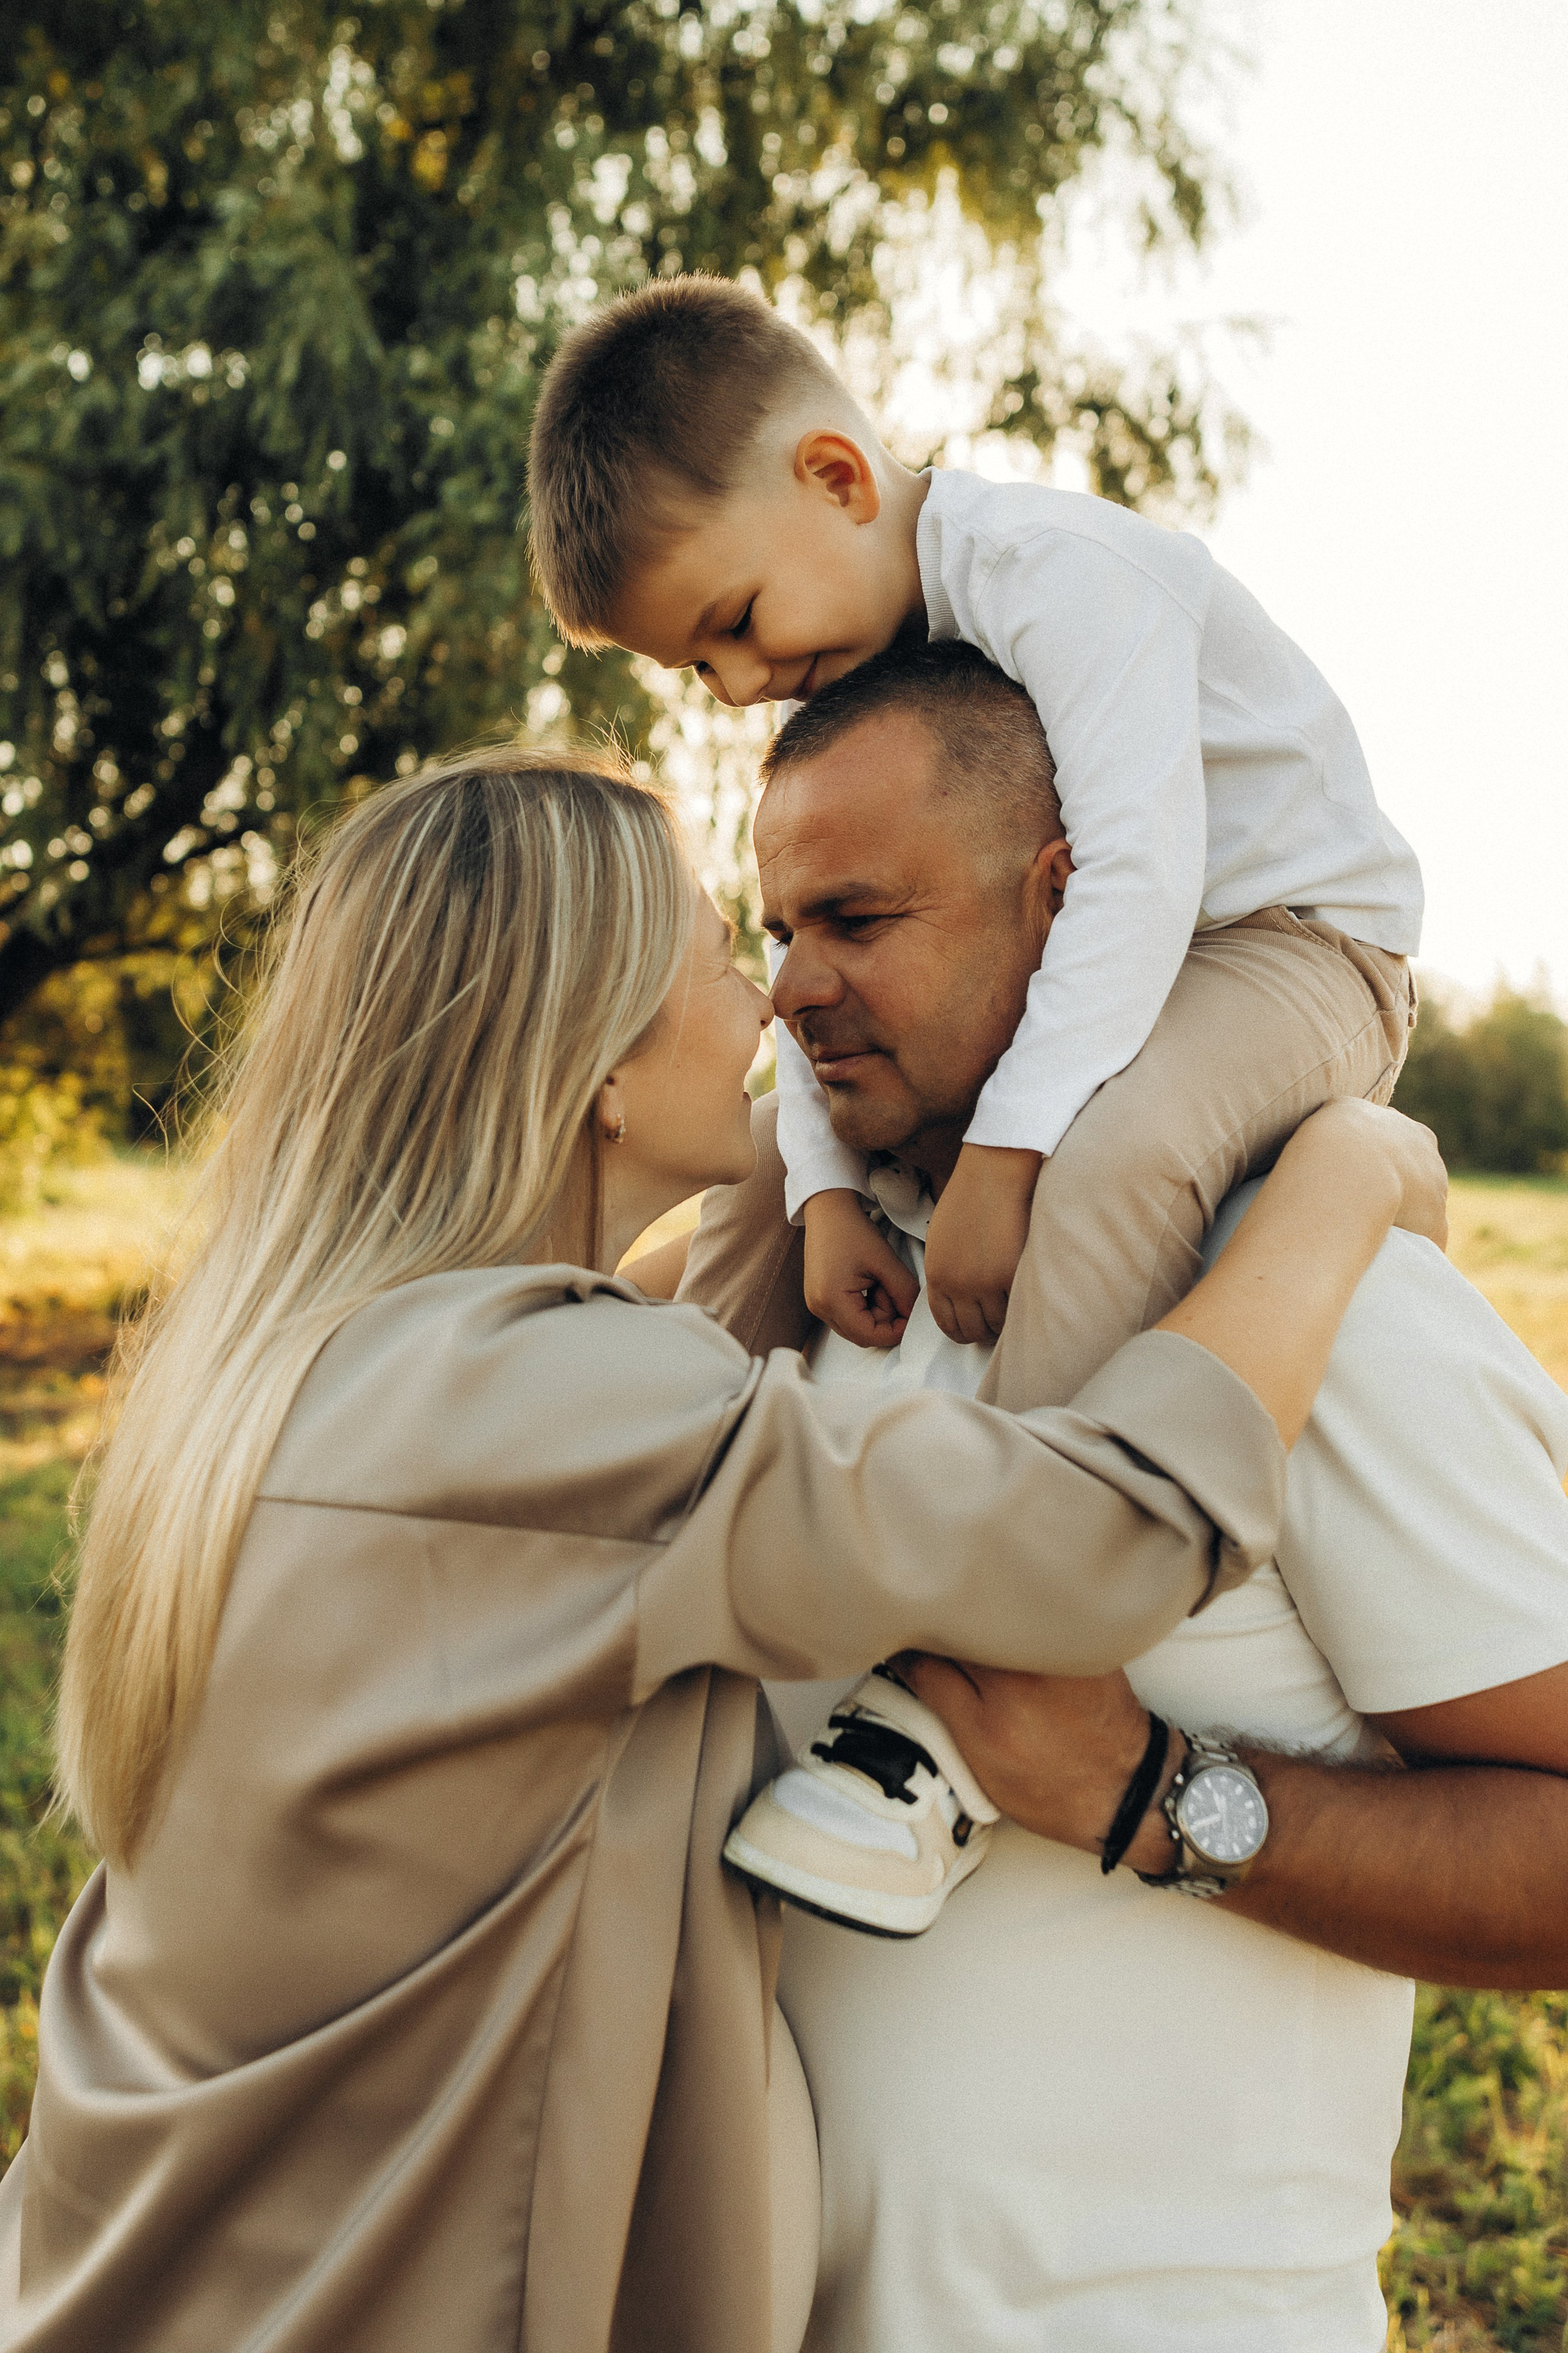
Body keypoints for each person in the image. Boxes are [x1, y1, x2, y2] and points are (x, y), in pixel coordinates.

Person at [0, 745, 1432, 2353]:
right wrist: (1349, 1173)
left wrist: (856, 1150)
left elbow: (712, 1310)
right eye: (715, 958)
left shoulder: (296, 1365)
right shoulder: (555, 1416)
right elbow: (1109, 1535)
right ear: (596, 1063)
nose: (765, 1007)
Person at [672, 650, 1568, 2351]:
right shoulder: (831, 1285)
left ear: (1065, 906)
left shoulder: (1319, 1304)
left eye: (855, 921)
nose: (792, 987)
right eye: (776, 928)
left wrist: (1152, 1789)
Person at [526, 273, 1423, 1395]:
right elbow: (800, 945)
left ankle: (1026, 1510)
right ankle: (667, 1482)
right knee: (765, 1153)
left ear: (837, 479)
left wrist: (1005, 1158)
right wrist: (824, 1190)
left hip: (1292, 944)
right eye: (701, 668)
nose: (742, 684)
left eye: (738, 623)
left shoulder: (1058, 575)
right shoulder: (844, 661)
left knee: (1115, 1158)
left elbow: (1135, 874)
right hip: (1111, 943)